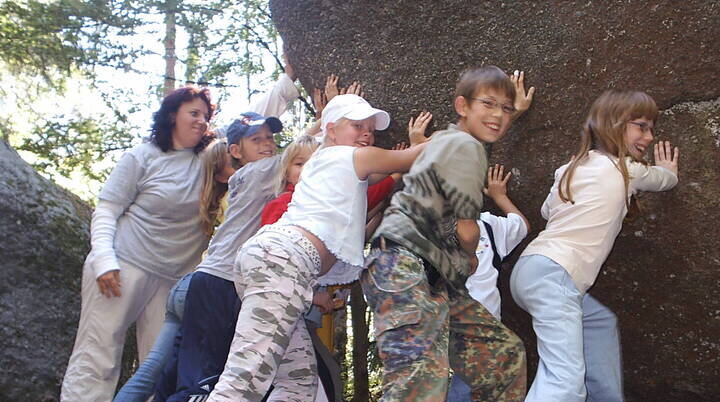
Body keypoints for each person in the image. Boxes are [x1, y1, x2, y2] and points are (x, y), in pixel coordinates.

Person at [208, 94, 431, 402]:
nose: (367, 133)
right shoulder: (348, 156)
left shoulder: (325, 164)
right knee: (245, 378)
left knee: (298, 383)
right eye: (357, 125)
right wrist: (423, 141)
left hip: (270, 261)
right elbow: (411, 159)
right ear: (330, 130)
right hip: (283, 259)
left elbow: (380, 178)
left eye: (371, 128)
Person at [114, 59, 302, 402]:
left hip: (195, 284)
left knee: (162, 379)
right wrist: (328, 121)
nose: (267, 144)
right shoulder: (255, 175)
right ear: (234, 153)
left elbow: (259, 131)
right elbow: (299, 157)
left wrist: (286, 83)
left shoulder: (242, 179)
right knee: (202, 384)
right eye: (256, 140)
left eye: (269, 139)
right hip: (219, 282)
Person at [361, 66, 529, 401]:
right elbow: (468, 231)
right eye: (488, 104)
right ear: (462, 106)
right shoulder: (466, 147)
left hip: (434, 276)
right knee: (419, 379)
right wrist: (469, 257)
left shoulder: (448, 141)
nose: (498, 115)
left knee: (504, 356)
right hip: (404, 266)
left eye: (506, 109)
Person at [510, 89, 680, 402]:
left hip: (531, 269)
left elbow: (548, 211)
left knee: (599, 322)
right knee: (565, 382)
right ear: (614, 124)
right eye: (641, 126)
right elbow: (663, 180)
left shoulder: (569, 168)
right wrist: (670, 171)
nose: (650, 137)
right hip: (556, 274)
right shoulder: (624, 168)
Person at [61, 86, 216, 402]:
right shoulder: (142, 156)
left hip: (173, 282)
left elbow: (253, 132)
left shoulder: (209, 161)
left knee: (159, 367)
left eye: (206, 115)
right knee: (98, 353)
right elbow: (107, 209)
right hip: (122, 267)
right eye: (194, 113)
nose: (201, 121)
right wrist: (105, 260)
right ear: (173, 115)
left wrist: (287, 83)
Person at [446, 164, 530, 402]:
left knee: (470, 386)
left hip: (488, 325)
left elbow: (521, 227)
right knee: (466, 387)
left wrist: (500, 197)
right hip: (455, 324)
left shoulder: (488, 225)